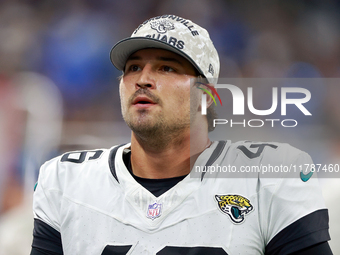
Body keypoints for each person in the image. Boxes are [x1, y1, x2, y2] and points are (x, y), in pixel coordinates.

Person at [30, 15, 332, 255]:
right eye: (133, 67)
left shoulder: (268, 177)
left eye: (166, 68)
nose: (143, 80)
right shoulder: (65, 181)